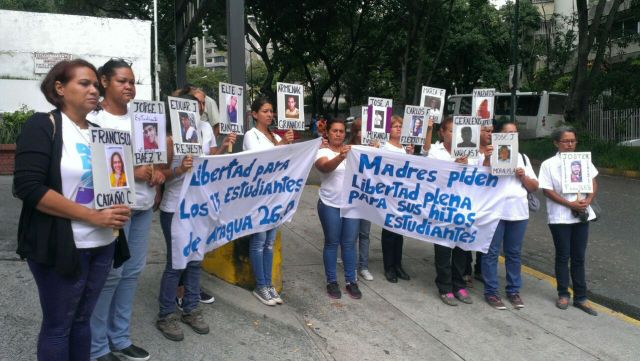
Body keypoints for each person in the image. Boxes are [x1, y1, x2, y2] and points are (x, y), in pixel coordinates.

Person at [13, 59, 131, 361]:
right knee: (59, 325)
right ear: (60, 88)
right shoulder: (44, 125)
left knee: (82, 321)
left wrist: (119, 203)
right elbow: (29, 188)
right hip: (62, 246)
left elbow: (113, 184)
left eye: (95, 84)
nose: (94, 89)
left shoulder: (100, 132)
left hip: (103, 244)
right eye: (84, 83)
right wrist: (93, 216)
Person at [88, 58, 165, 361]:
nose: (129, 87)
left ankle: (119, 338)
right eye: (122, 81)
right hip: (116, 210)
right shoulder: (95, 120)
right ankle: (97, 347)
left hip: (144, 206)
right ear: (104, 81)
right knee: (111, 275)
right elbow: (95, 170)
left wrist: (158, 175)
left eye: (132, 81)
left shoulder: (144, 116)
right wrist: (133, 172)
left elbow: (155, 158)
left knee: (132, 272)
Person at [538, 126, 599, 316]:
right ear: (556, 143)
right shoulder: (548, 164)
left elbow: (593, 181)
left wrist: (588, 200)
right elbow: (547, 190)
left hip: (581, 214)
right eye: (566, 141)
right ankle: (563, 293)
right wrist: (569, 204)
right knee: (563, 256)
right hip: (560, 217)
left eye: (573, 141)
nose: (570, 145)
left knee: (579, 257)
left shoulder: (582, 161)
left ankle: (581, 297)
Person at [243, 96, 294, 306]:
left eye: (271, 111)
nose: (270, 114)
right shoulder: (250, 135)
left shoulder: (274, 136)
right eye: (265, 111)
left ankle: (269, 284)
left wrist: (288, 145)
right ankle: (261, 285)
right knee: (259, 241)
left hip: (275, 196)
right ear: (255, 114)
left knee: (270, 243)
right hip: (258, 196)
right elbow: (260, 161)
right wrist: (282, 144)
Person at [482, 122, 538, 310]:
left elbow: (534, 187)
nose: (511, 136)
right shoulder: (489, 154)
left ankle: (513, 291)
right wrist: (488, 159)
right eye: (507, 133)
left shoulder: (522, 158)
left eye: (514, 133)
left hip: (518, 213)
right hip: (495, 212)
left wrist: (522, 176)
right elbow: (479, 182)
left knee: (513, 253)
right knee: (491, 253)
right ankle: (491, 292)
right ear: (499, 136)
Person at [421, 117, 472, 306]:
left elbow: (482, 177)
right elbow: (431, 175)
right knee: (443, 249)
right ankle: (444, 287)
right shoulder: (435, 152)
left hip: (463, 207)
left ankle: (459, 285)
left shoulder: (470, 152)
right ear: (442, 132)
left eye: (458, 130)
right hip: (441, 207)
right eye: (450, 130)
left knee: (460, 249)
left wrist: (468, 165)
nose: (454, 134)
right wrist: (454, 166)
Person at [315, 118, 362, 299]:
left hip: (350, 206)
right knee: (332, 242)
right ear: (327, 132)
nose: (338, 134)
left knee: (349, 244)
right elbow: (325, 167)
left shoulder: (352, 151)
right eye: (334, 131)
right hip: (329, 204)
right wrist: (340, 156)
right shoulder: (322, 151)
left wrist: (375, 149)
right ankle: (332, 281)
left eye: (341, 131)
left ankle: (351, 280)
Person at [380, 116, 414, 283]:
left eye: (401, 126)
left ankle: (398, 264)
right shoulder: (384, 146)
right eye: (395, 126)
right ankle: (389, 267)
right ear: (389, 130)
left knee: (399, 232)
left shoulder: (406, 148)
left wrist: (410, 155)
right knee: (389, 233)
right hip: (388, 194)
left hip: (403, 195)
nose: (398, 129)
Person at [348, 118, 373, 281]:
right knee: (349, 234)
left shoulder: (375, 149)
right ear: (355, 132)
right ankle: (348, 261)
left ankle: (363, 266)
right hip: (351, 197)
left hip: (366, 197)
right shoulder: (349, 148)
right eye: (361, 130)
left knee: (365, 233)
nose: (364, 134)